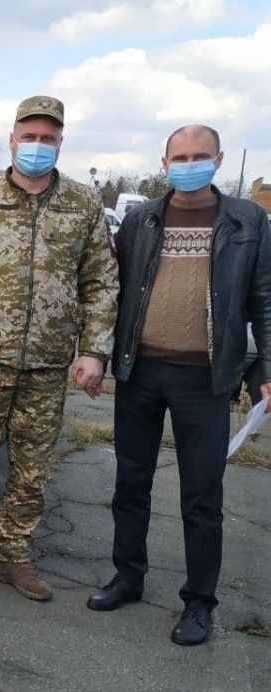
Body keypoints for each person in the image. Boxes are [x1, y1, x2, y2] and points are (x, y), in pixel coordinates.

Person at [0, 95, 118, 601]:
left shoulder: (82, 205)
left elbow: (100, 282)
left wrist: (94, 351)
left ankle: (14, 556)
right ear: (11, 140)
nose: (37, 145)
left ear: (60, 143)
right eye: (28, 136)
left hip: (48, 365)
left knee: (31, 466)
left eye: (47, 138)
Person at [87, 125, 271, 646]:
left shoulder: (248, 220)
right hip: (141, 371)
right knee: (130, 482)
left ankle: (199, 603)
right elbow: (111, 291)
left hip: (206, 379)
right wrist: (98, 356)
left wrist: (266, 371)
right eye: (180, 156)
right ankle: (128, 577)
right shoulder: (142, 218)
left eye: (201, 156)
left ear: (217, 159)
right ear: (164, 162)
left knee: (201, 496)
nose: (190, 164)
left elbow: (264, 301)